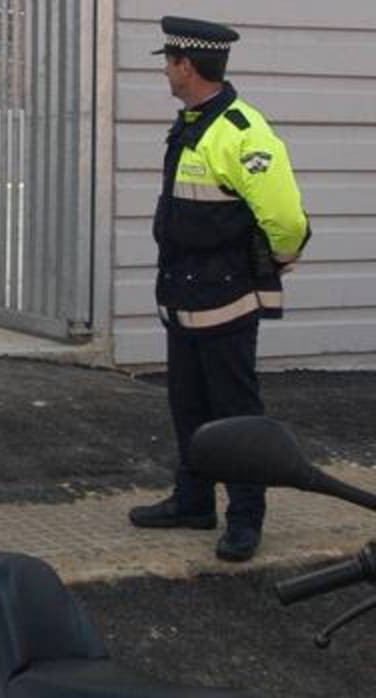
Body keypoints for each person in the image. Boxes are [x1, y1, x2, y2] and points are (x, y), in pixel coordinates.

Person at [128, 17, 311, 563]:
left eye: (169, 61)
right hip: (184, 299)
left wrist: (277, 256)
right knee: (188, 407)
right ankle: (193, 501)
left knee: (235, 413)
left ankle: (245, 518)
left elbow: (285, 219)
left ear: (187, 66)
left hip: (225, 302)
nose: (165, 69)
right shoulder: (193, 124)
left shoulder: (240, 130)